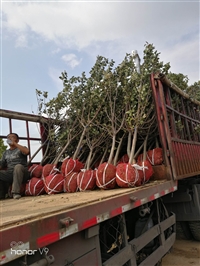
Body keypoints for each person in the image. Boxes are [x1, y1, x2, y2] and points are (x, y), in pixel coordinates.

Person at [0, 133, 30, 199]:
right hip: (10, 173)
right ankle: (1, 195)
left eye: (12, 137)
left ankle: (16, 193)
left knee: (18, 166)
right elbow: (1, 165)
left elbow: (27, 152)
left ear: (17, 140)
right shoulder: (6, 152)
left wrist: (15, 144)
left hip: (22, 173)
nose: (10, 138)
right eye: (8, 137)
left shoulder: (21, 148)